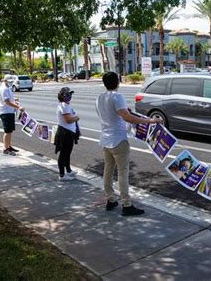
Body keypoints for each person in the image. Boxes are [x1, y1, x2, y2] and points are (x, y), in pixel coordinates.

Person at [95, 71, 162, 216]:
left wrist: (126, 112)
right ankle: (126, 204)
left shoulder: (100, 98)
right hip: (118, 140)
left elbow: (115, 114)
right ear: (117, 82)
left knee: (108, 170)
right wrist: (150, 121)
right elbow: (128, 117)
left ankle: (110, 199)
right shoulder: (117, 96)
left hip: (106, 139)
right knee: (122, 172)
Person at [54, 87, 80, 181]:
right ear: (64, 96)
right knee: (64, 153)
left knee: (67, 153)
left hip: (69, 132)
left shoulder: (65, 105)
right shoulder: (64, 106)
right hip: (65, 132)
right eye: (68, 95)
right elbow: (68, 120)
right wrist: (77, 118)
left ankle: (68, 170)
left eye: (70, 94)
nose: (70, 96)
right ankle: (62, 174)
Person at [0, 77, 24, 156]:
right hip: (6, 112)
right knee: (7, 131)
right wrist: (18, 107)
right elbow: (7, 102)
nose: (10, 82)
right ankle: (6, 148)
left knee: (10, 131)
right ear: (5, 80)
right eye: (9, 81)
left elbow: (9, 99)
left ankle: (9, 146)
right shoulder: (4, 89)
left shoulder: (7, 88)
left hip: (9, 111)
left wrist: (14, 100)